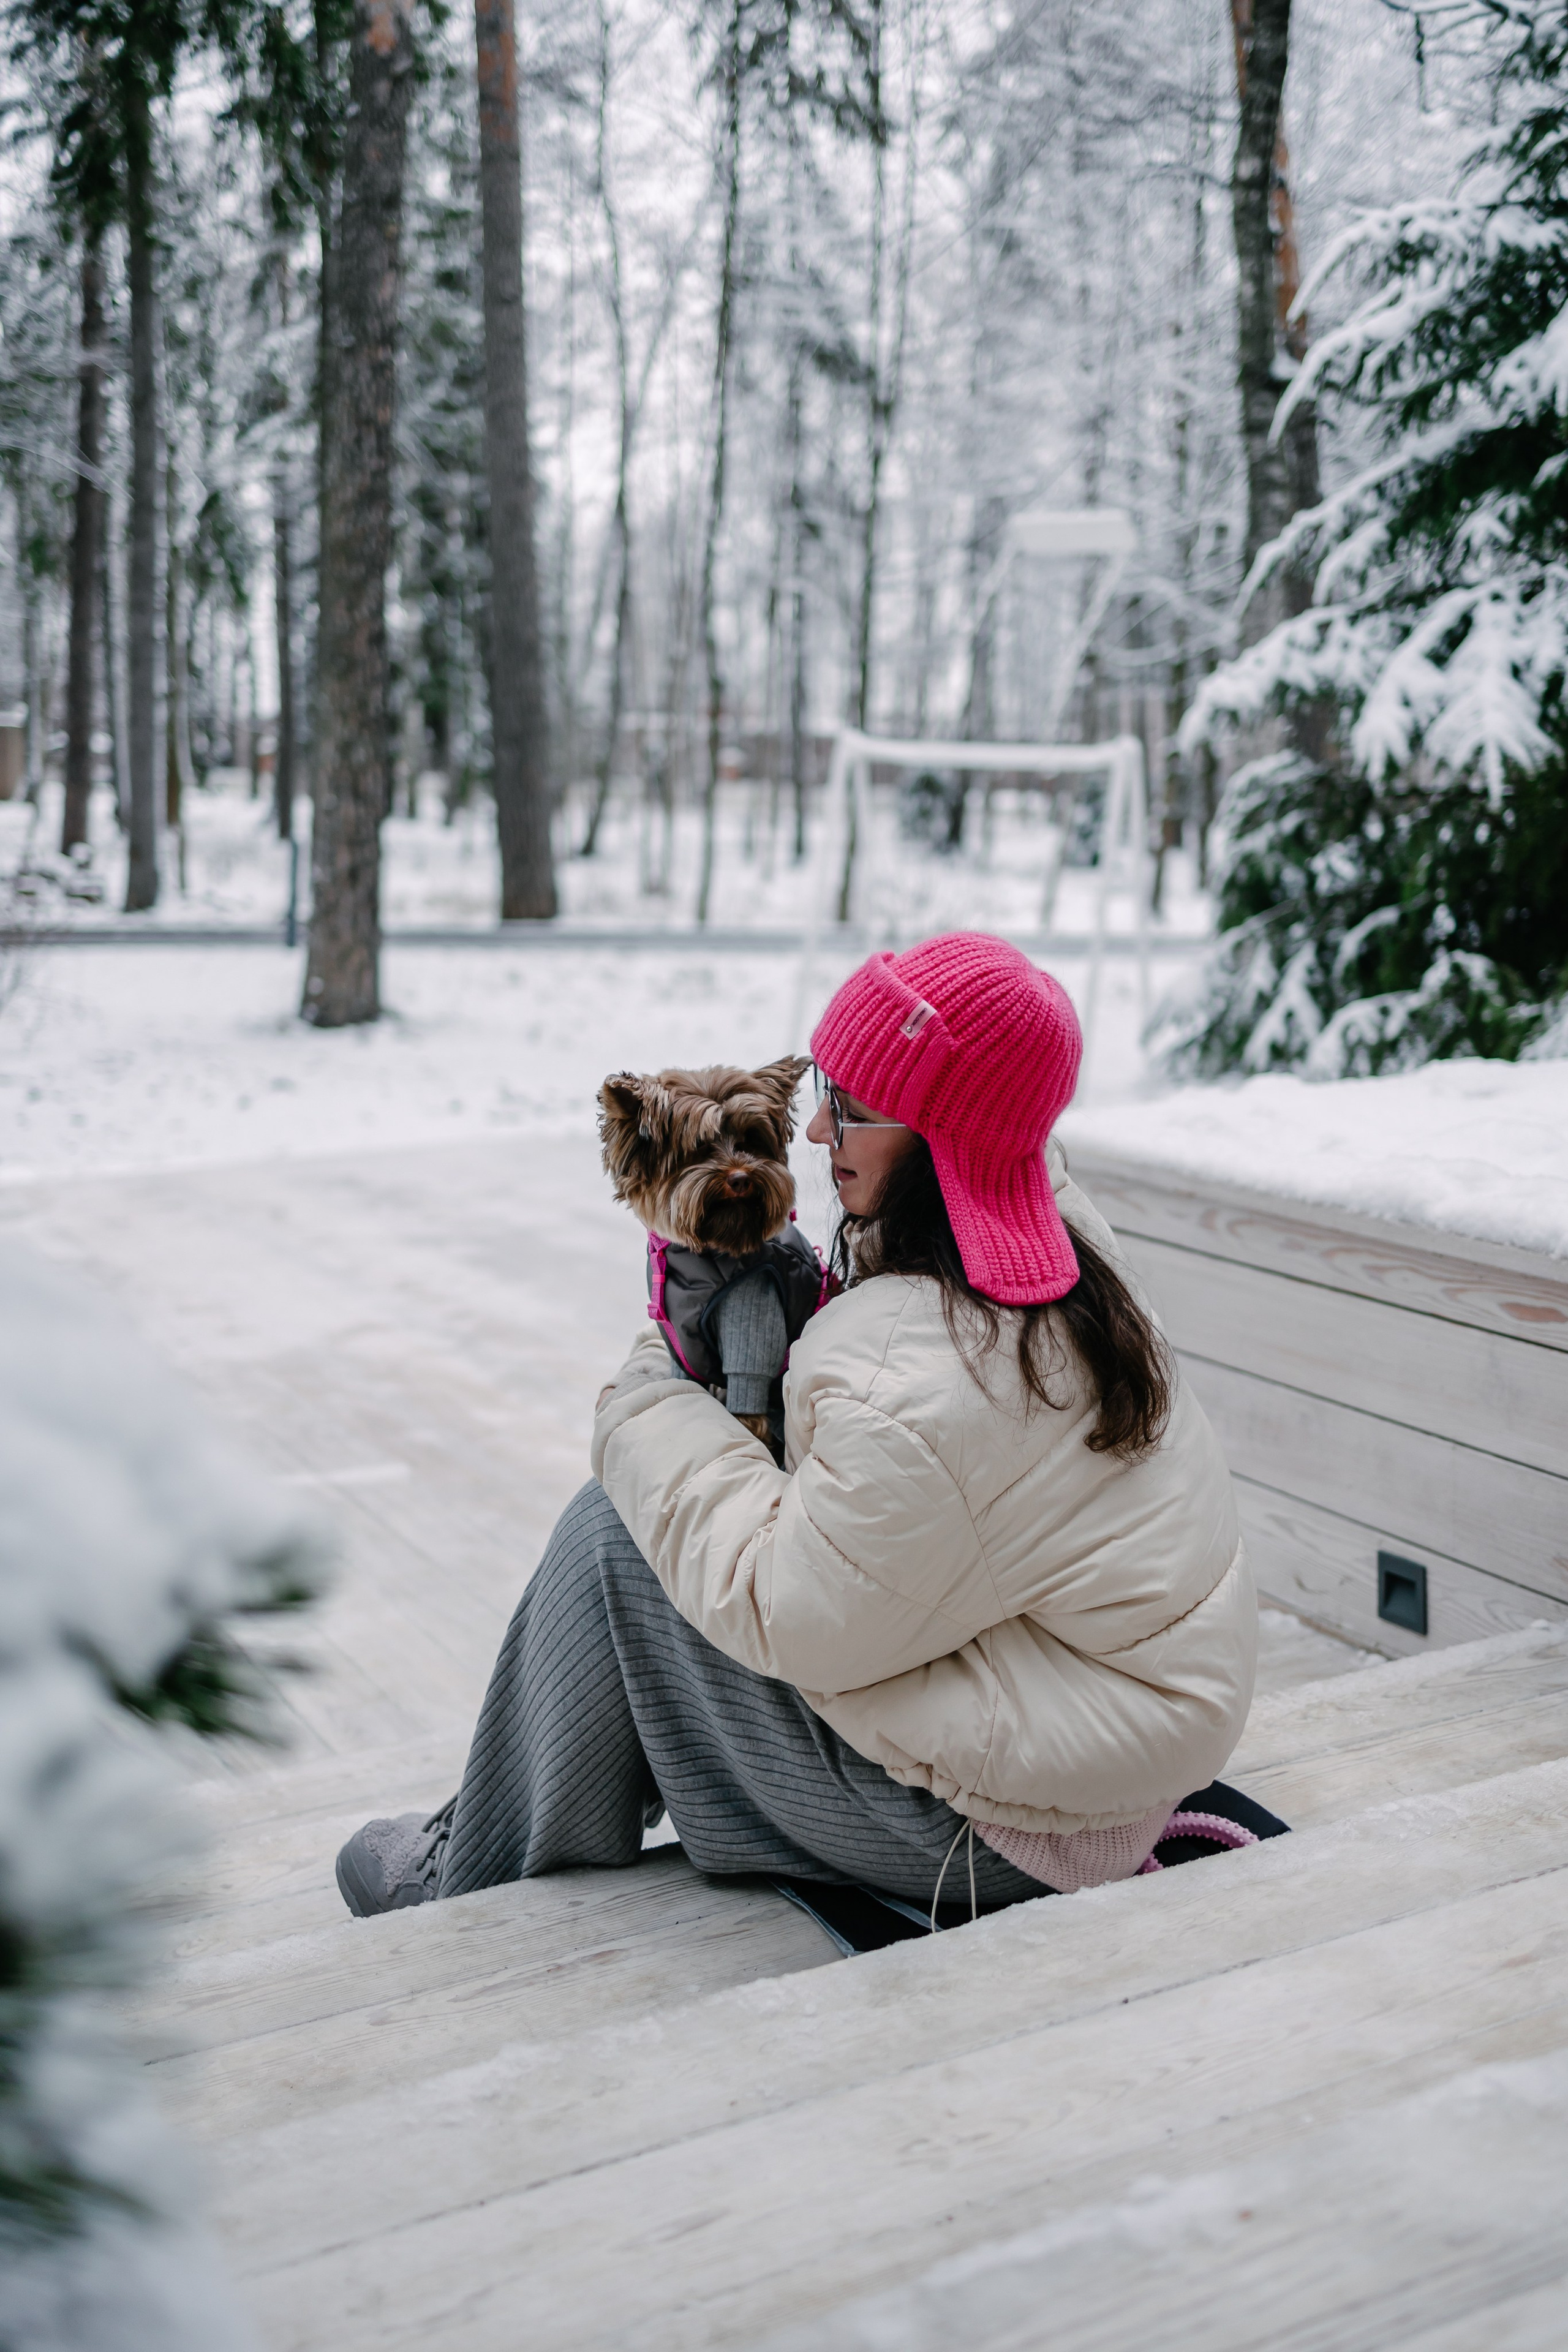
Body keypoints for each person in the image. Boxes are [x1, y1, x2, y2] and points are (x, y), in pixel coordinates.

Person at [336, 932, 1263, 1928]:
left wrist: (650, 1389)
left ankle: (471, 1866)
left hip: (1002, 1836)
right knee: (680, 1521)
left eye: (854, 1108)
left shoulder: (924, 1364)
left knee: (619, 1536)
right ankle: (524, 1807)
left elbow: (788, 1609)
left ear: (943, 1137)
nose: (818, 1130)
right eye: (826, 1087)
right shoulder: (1059, 1246)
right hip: (1088, 1756)